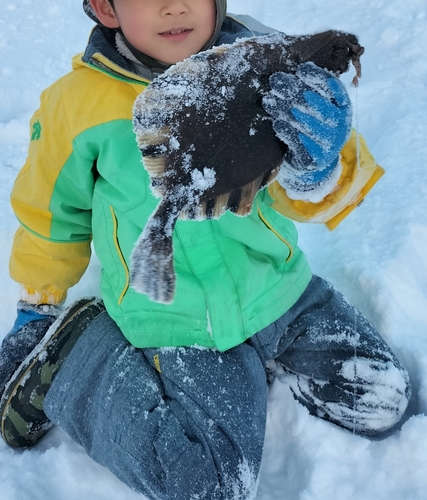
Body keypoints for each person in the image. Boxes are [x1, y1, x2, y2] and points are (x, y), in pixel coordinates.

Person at [0, 1, 411, 499]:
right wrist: (38, 298)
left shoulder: (262, 65)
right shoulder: (76, 106)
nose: (174, 5)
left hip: (278, 291)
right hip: (177, 319)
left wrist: (319, 164)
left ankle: (274, 358)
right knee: (207, 486)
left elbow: (310, 195)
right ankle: (76, 359)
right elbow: (51, 212)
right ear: (106, 8)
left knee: (383, 400)